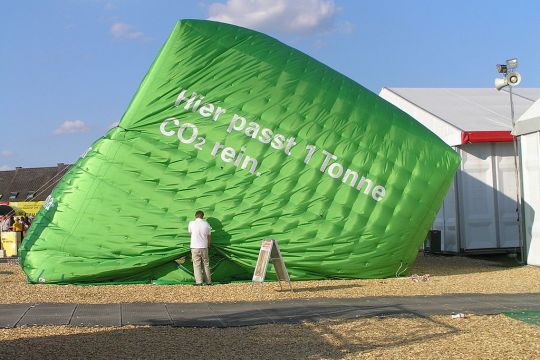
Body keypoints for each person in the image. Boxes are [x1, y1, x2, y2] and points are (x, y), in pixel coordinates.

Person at [188, 210, 212, 285]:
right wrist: (209, 244)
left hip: (194, 246)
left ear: (195, 216)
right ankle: (208, 282)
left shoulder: (191, 223)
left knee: (196, 264)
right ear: (203, 216)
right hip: (204, 246)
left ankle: (199, 282)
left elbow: (190, 233)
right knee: (206, 264)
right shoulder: (206, 224)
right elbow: (209, 236)